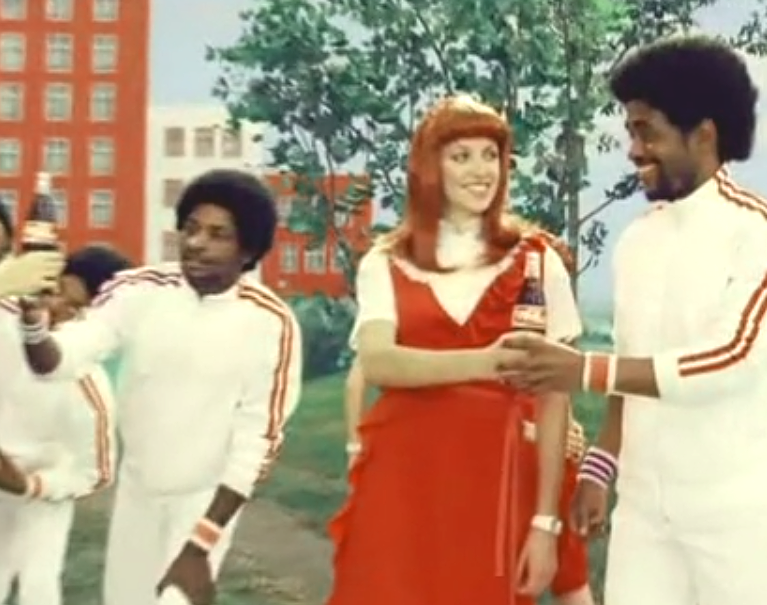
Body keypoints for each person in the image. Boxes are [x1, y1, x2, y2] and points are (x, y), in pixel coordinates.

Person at [498, 34, 767, 605]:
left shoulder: (765, 232)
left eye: (648, 132)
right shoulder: (637, 243)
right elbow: (632, 367)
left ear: (704, 134)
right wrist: (599, 467)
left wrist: (582, 370)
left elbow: (732, 361)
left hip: (734, 514)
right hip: (642, 515)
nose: (633, 150)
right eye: (630, 131)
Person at [329, 94, 580, 605]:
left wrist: (545, 522)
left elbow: (554, 397)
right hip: (402, 479)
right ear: (430, 167)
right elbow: (379, 361)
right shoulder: (386, 260)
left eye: (491, 155)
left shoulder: (538, 260)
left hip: (498, 476)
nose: (480, 170)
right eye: (461, 156)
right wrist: (488, 362)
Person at [15, 169, 303, 605]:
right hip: (138, 494)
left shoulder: (270, 322)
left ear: (248, 250)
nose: (196, 243)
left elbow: (256, 445)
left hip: (203, 500)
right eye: (191, 228)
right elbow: (59, 360)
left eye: (217, 234)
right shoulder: (140, 290)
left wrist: (200, 546)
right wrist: (34, 327)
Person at [341, 354, 596, 605]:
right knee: (558, 573)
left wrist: (356, 450)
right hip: (508, 446)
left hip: (510, 448)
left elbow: (356, 382)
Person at [0, 245, 126, 605]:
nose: (56, 309)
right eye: (55, 292)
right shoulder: (10, 315)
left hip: (40, 494)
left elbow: (96, 473)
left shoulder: (88, 388)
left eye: (75, 310)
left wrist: (29, 485)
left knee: (38, 585)